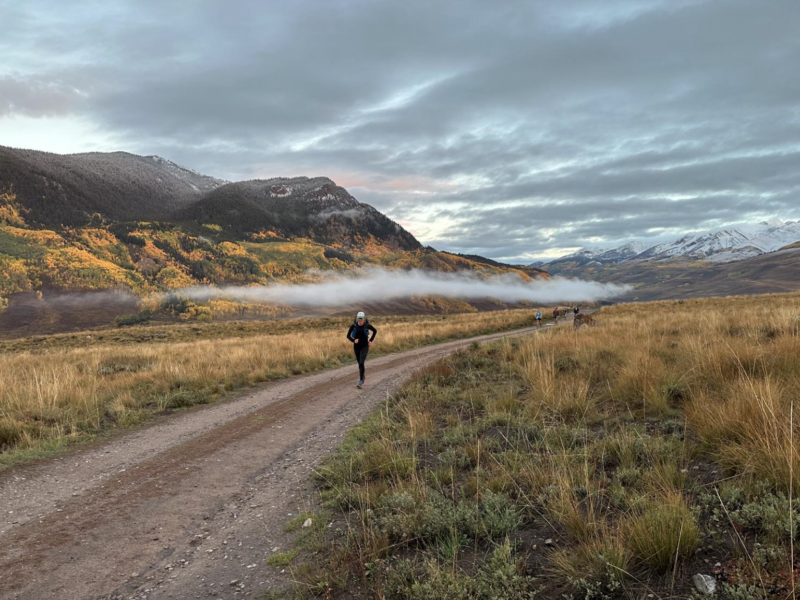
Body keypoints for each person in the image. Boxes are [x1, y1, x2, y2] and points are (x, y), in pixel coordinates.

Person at [346, 311, 377, 388]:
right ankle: (362, 376)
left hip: (365, 346)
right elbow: (348, 336)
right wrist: (353, 340)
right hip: (356, 347)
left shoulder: (367, 325)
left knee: (361, 363)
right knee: (359, 364)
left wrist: (371, 341)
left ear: (364, 318)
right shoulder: (353, 326)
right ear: (357, 318)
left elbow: (375, 331)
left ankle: (360, 381)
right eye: (359, 318)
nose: (360, 320)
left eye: (361, 318)